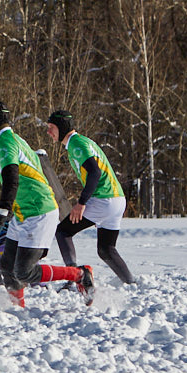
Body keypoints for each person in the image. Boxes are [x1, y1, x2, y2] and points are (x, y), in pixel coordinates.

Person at [0, 102, 93, 307]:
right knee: (6, 265)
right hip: (24, 212)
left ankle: (80, 274)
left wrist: (2, 213)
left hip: (39, 211)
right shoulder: (11, 138)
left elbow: (12, 178)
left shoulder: (4, 142)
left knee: (24, 271)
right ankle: (18, 310)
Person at [47, 110, 135, 284]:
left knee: (63, 231)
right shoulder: (82, 141)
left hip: (104, 199)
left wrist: (81, 203)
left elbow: (95, 172)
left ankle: (75, 278)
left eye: (51, 127)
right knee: (106, 249)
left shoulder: (76, 144)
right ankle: (130, 283)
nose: (49, 131)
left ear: (62, 127)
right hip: (117, 199)